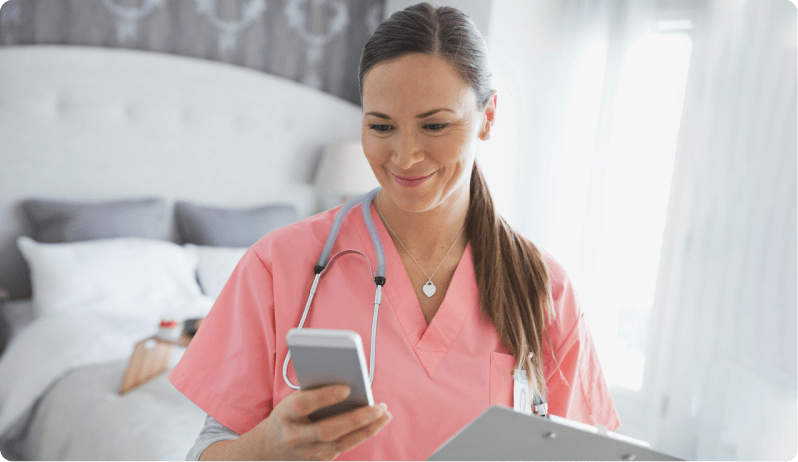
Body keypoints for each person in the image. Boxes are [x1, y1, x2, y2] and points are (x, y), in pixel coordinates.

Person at [169, 3, 620, 460]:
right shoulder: (277, 266)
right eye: (381, 126)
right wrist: (265, 448)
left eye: (435, 125)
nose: (405, 156)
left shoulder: (544, 288)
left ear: (488, 116)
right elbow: (206, 451)